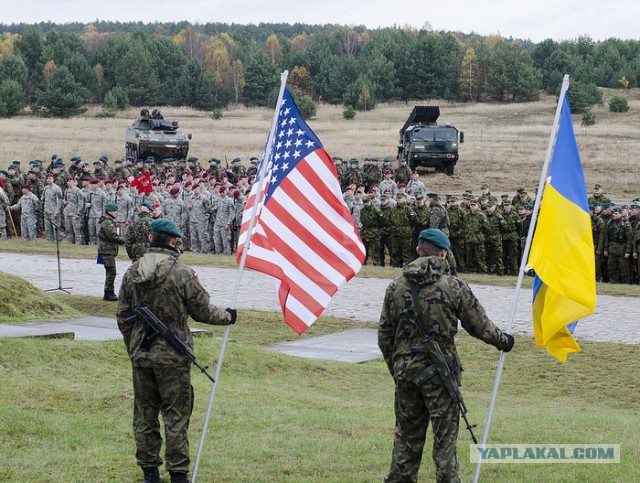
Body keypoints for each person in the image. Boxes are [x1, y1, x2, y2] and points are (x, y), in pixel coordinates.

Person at [378, 228, 514, 483]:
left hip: (406, 373)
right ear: (443, 253)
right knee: (445, 442)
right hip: (440, 376)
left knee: (406, 439)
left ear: (418, 250)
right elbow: (480, 326)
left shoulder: (395, 287)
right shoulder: (453, 286)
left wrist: (398, 368)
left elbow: (384, 337)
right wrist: (503, 341)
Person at [116, 219, 237, 483]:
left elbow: (123, 315)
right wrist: (228, 316)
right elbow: (203, 311)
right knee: (176, 415)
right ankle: (178, 474)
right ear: (173, 241)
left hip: (141, 357)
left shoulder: (132, 272)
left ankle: (149, 473)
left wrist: (134, 347)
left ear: (150, 238)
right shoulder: (181, 273)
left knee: (145, 415)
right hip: (173, 358)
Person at [98, 203, 125, 301]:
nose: (116, 213)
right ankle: (108, 292)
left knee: (110, 271)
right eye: (115, 211)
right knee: (111, 271)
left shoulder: (107, 221)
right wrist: (126, 241)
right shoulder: (107, 222)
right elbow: (113, 236)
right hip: (107, 250)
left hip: (107, 250)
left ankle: (109, 291)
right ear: (110, 211)